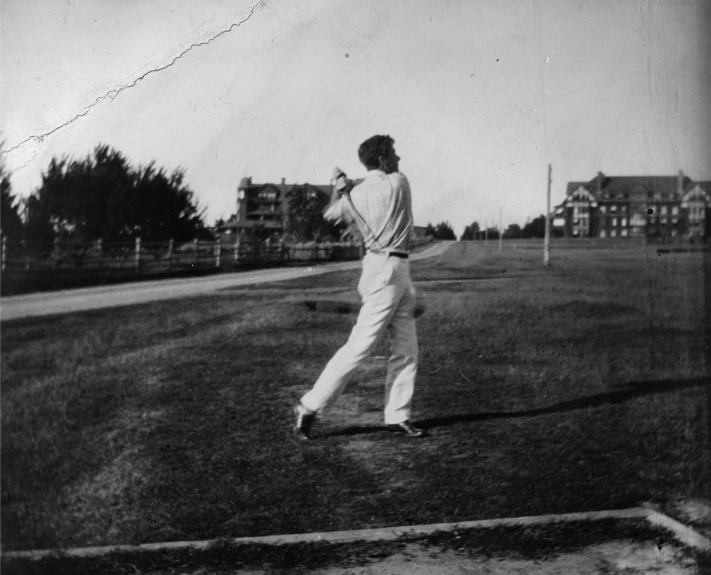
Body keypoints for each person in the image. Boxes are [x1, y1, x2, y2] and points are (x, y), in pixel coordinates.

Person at [293, 135, 426, 440]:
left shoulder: (354, 195)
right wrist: (347, 184)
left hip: (389, 269)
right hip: (387, 272)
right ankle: (308, 406)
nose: (398, 157)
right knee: (360, 346)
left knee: (407, 348)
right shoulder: (399, 183)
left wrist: (339, 187)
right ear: (382, 160)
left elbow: (330, 213)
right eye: (393, 153)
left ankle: (397, 415)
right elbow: (375, 183)